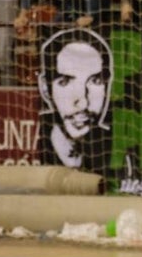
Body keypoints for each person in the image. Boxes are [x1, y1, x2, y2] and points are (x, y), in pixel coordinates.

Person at [37, 26, 112, 172]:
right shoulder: (46, 145)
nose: (83, 103)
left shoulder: (113, 150)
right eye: (65, 82)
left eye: (95, 81)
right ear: (45, 88)